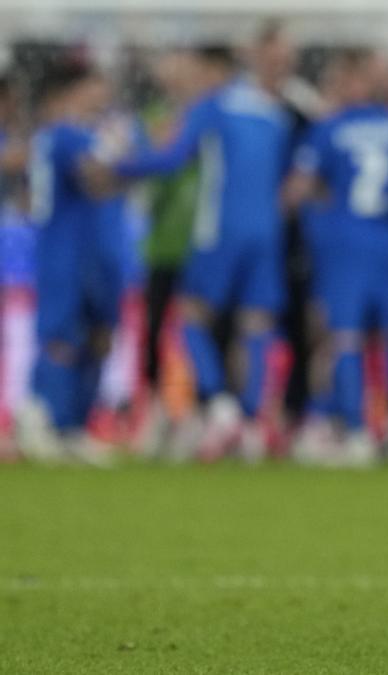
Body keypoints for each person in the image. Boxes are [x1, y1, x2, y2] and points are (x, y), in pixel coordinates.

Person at [106, 27, 296, 462]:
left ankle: (219, 407)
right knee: (256, 325)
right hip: (267, 233)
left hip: (219, 229)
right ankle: (252, 421)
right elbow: (285, 181)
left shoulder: (211, 107)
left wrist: (119, 165)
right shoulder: (274, 112)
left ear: (213, 70)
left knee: (190, 316)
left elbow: (174, 158)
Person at [284, 49, 388, 467]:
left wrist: (310, 213)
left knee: (345, 338)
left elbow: (297, 190)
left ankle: (356, 432)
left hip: (346, 245)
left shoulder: (328, 129)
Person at [16, 62, 122, 464]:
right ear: (69, 93)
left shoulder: (48, 138)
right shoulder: (70, 133)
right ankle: (51, 420)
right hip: (71, 249)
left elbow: (30, 194)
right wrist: (135, 165)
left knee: (95, 334)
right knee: (62, 338)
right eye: (94, 86)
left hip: (72, 247)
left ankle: (71, 425)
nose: (101, 94)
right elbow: (96, 178)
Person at [134, 46, 234, 456]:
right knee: (157, 329)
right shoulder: (154, 117)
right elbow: (152, 164)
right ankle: (158, 411)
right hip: (164, 242)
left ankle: (206, 413)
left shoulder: (218, 115)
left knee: (209, 327)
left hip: (205, 243)